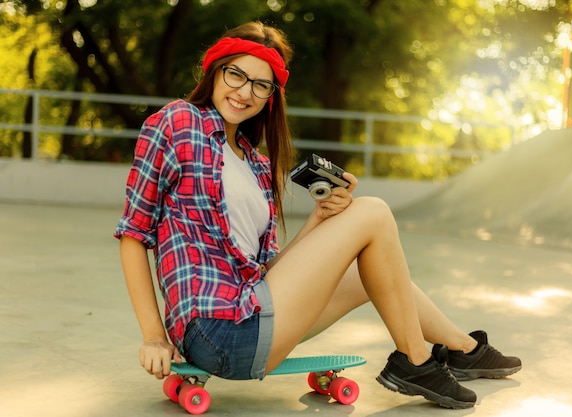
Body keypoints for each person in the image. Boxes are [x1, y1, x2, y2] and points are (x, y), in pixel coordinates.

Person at [114, 21, 521, 410]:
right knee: (373, 212)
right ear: (215, 72)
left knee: (370, 270)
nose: (245, 92)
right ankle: (415, 361)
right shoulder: (178, 122)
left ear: (271, 95)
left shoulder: (256, 164)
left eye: (261, 84)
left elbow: (267, 272)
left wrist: (319, 221)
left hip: (251, 308)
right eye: (236, 75)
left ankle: (462, 350)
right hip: (217, 331)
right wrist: (154, 336)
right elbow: (135, 232)